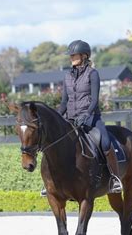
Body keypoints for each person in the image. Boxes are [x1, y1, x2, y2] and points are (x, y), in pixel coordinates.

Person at [40, 39, 123, 196]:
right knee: (53, 144)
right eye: (70, 55)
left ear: (84, 56)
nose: (71, 57)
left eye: (74, 54)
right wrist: (56, 118)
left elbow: (94, 100)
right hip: (71, 119)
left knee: (105, 141)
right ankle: (49, 183)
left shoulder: (93, 74)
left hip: (91, 118)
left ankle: (114, 179)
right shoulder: (67, 77)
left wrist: (86, 115)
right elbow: (64, 101)